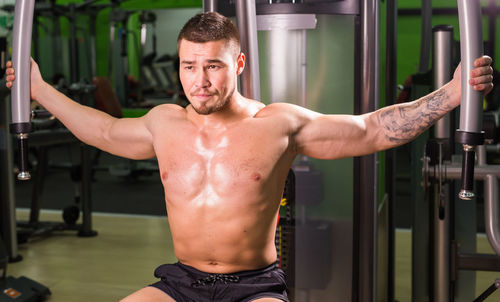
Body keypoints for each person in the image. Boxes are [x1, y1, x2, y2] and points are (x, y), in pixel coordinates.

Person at [5, 11, 493, 302]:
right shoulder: (163, 123)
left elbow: (371, 129)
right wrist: (39, 89)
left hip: (254, 287)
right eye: (189, 66)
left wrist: (451, 94)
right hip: (181, 283)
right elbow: (106, 130)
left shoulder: (276, 124)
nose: (199, 80)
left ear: (237, 64)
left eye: (213, 65)